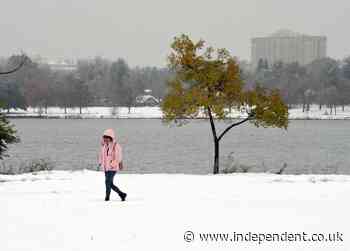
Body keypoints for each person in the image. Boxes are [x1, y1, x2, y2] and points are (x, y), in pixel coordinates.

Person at [98, 128, 127, 202]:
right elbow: (101, 155)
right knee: (108, 183)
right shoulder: (104, 146)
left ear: (111, 137)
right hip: (106, 167)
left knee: (108, 182)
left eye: (107, 137)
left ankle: (108, 197)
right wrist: (100, 163)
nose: (106, 139)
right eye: (105, 137)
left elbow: (119, 157)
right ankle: (120, 195)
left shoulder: (116, 146)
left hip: (112, 168)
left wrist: (112, 164)